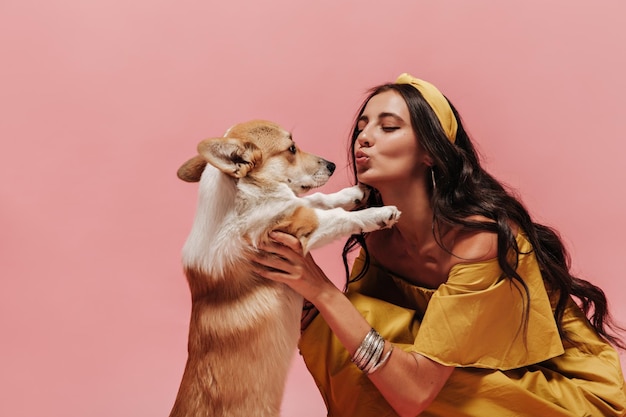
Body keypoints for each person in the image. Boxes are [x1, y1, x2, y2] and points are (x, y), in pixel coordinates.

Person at [250, 73, 626, 417]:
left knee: (353, 325)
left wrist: (320, 290)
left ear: (430, 152)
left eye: (389, 127)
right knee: (343, 323)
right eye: (362, 126)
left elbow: (412, 393)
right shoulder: (380, 240)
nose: (363, 138)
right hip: (457, 379)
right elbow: (348, 336)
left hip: (565, 396)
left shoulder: (479, 242)